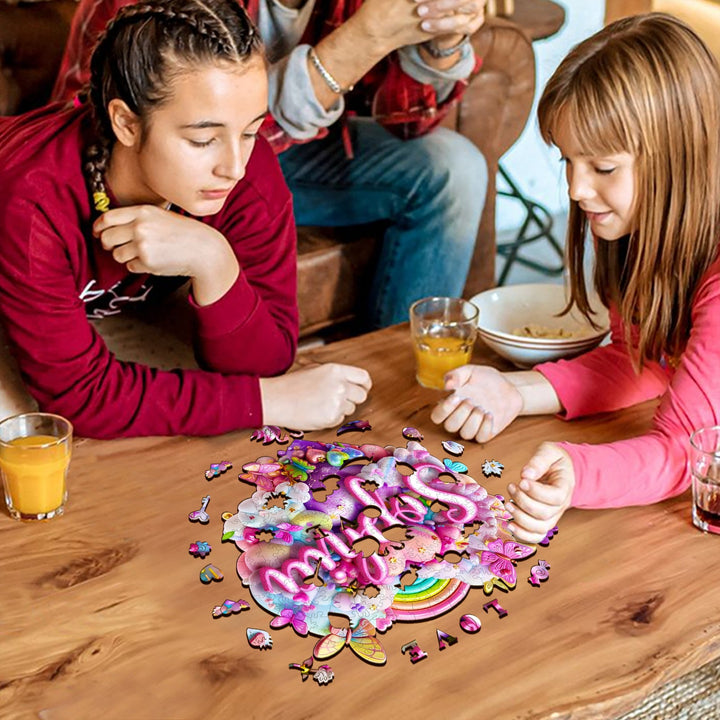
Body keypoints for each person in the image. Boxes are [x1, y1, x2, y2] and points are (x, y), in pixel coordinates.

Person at [0, 0, 371, 439]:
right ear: (126, 123)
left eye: (250, 131)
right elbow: (82, 399)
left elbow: (268, 358)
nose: (234, 166)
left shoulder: (247, 170)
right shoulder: (33, 200)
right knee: (22, 433)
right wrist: (271, 401)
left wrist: (214, 261)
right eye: (203, 140)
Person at [431, 13, 720, 542]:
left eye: (603, 168)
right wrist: (515, 391)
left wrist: (579, 473)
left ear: (682, 158)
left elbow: (689, 449)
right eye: (568, 160)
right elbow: (644, 358)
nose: (575, 189)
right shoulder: (642, 232)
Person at [51, 0, 489, 329]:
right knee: (225, 148)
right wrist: (363, 39)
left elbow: (411, 124)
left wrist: (441, 41)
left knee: (454, 167)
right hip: (151, 163)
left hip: (284, 147)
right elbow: (108, 136)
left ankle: (400, 373)